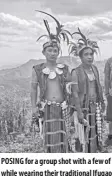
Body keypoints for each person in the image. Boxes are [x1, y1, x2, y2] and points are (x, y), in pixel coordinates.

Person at [30, 10, 82, 153]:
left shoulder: (65, 69)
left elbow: (72, 89)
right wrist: (33, 107)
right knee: (48, 135)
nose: (53, 53)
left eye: (55, 50)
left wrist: (74, 105)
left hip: (62, 107)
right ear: (44, 53)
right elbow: (34, 89)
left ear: (58, 52)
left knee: (62, 135)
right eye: (50, 50)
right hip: (46, 107)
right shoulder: (38, 69)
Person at [69, 27, 105, 153]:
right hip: (83, 108)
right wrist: (79, 112)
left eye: (91, 54)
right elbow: (74, 93)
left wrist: (101, 102)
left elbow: (98, 87)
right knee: (83, 135)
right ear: (81, 57)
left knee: (94, 133)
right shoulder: (76, 72)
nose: (89, 57)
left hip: (94, 106)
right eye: (86, 55)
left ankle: (93, 153)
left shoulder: (94, 69)